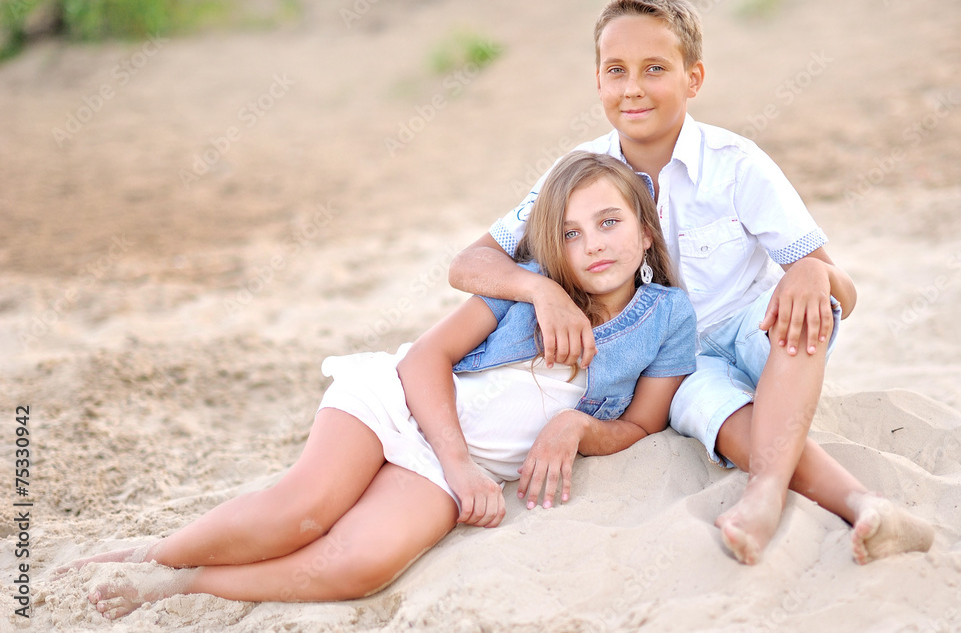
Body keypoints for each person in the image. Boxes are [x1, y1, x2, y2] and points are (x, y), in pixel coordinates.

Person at [62, 151, 697, 620]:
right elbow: (424, 359)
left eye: (609, 223)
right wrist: (459, 465)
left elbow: (642, 424)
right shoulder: (527, 289)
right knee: (301, 511)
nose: (593, 245)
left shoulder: (668, 318)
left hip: (454, 466)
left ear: (645, 230)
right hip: (402, 407)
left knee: (358, 567)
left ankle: (184, 584)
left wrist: (576, 426)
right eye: (570, 233)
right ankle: (157, 553)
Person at [449, 0, 935, 566]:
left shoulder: (737, 165)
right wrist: (541, 288)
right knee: (714, 412)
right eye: (616, 71)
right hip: (674, 364)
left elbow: (843, 294)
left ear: (693, 78)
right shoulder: (579, 175)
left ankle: (764, 495)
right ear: (599, 82)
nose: (633, 87)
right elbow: (469, 264)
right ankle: (863, 505)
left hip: (759, 334)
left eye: (655, 69)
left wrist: (810, 270)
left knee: (802, 309)